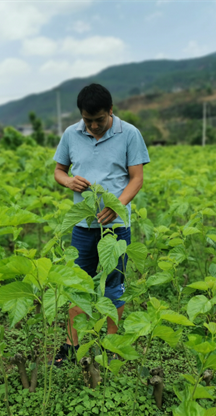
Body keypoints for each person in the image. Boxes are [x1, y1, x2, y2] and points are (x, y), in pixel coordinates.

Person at [52, 83, 150, 365]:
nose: (94, 126)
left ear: (111, 111)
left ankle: (110, 348)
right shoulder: (71, 134)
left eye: (99, 120)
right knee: (77, 285)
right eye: (88, 120)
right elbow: (59, 171)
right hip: (83, 227)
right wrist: (69, 180)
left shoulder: (130, 134)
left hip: (116, 227)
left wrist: (115, 205)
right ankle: (71, 348)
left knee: (113, 285)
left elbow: (136, 179)